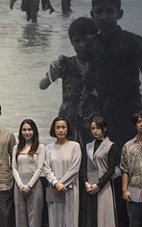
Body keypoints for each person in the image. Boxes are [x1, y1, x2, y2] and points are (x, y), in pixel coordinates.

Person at [86, 0, 142, 149]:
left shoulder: (132, 42)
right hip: (102, 113)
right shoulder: (92, 44)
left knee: (133, 156)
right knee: (106, 157)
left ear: (120, 13)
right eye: (99, 12)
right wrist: (87, 106)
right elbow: (90, 76)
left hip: (130, 110)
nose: (104, 17)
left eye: (110, 12)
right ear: (92, 14)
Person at [39, 17, 99, 147]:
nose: (81, 45)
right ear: (71, 42)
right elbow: (42, 85)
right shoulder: (65, 63)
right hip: (68, 119)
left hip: (92, 120)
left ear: (94, 40)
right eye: (77, 41)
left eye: (85, 40)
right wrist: (50, 77)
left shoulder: (100, 64)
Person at [42, 116, 82, 227]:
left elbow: (75, 168)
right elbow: (46, 168)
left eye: (63, 127)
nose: (60, 130)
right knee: (55, 223)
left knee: (70, 223)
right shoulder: (49, 148)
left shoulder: (75, 146)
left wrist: (62, 183)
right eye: (58, 127)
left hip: (70, 189)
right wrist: (55, 183)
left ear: (67, 129)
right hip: (53, 189)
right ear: (54, 129)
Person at [80, 117, 119, 227]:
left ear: (104, 129)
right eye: (93, 128)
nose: (95, 131)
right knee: (93, 221)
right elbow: (84, 167)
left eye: (97, 128)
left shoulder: (111, 146)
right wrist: (86, 183)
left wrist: (99, 185)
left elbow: (111, 169)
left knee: (106, 220)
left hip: (104, 187)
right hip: (90, 187)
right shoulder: (88, 146)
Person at [11, 119, 45, 227]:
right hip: (19, 187)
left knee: (34, 225)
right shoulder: (16, 148)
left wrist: (29, 185)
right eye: (24, 130)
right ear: (21, 132)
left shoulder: (41, 148)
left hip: (34, 186)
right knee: (21, 226)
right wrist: (21, 185)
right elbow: (14, 168)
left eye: (29, 129)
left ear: (34, 131)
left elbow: (39, 168)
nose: (27, 132)